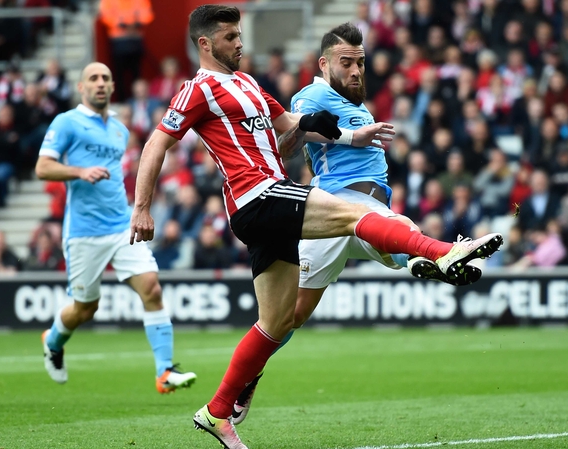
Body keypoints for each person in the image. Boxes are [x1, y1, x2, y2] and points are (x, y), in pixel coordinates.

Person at [128, 7, 503, 448]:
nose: (239, 43)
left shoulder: (248, 84)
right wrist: (142, 208)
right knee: (355, 217)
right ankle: (442, 252)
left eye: (239, 34)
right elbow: (157, 143)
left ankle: (217, 412)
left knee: (278, 322)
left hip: (271, 198)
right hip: (256, 194)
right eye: (229, 37)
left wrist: (328, 131)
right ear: (205, 45)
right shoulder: (198, 89)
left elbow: (288, 125)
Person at [228, 22, 501, 430]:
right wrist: (344, 136)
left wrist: (355, 130)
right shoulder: (312, 94)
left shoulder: (361, 106)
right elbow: (285, 147)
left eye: (360, 62)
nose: (356, 71)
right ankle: (438, 255)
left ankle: (432, 258)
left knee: (301, 311)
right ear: (324, 63)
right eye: (346, 63)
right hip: (336, 205)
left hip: (369, 212)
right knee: (289, 316)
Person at [35, 62, 196, 394]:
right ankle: (53, 340)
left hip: (121, 224)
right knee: (85, 308)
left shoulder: (120, 130)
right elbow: (42, 167)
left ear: (111, 87)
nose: (100, 83)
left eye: (106, 78)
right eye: (92, 78)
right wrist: (80, 172)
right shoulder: (67, 122)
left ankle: (164, 373)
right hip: (83, 232)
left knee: (151, 288)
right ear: (81, 87)